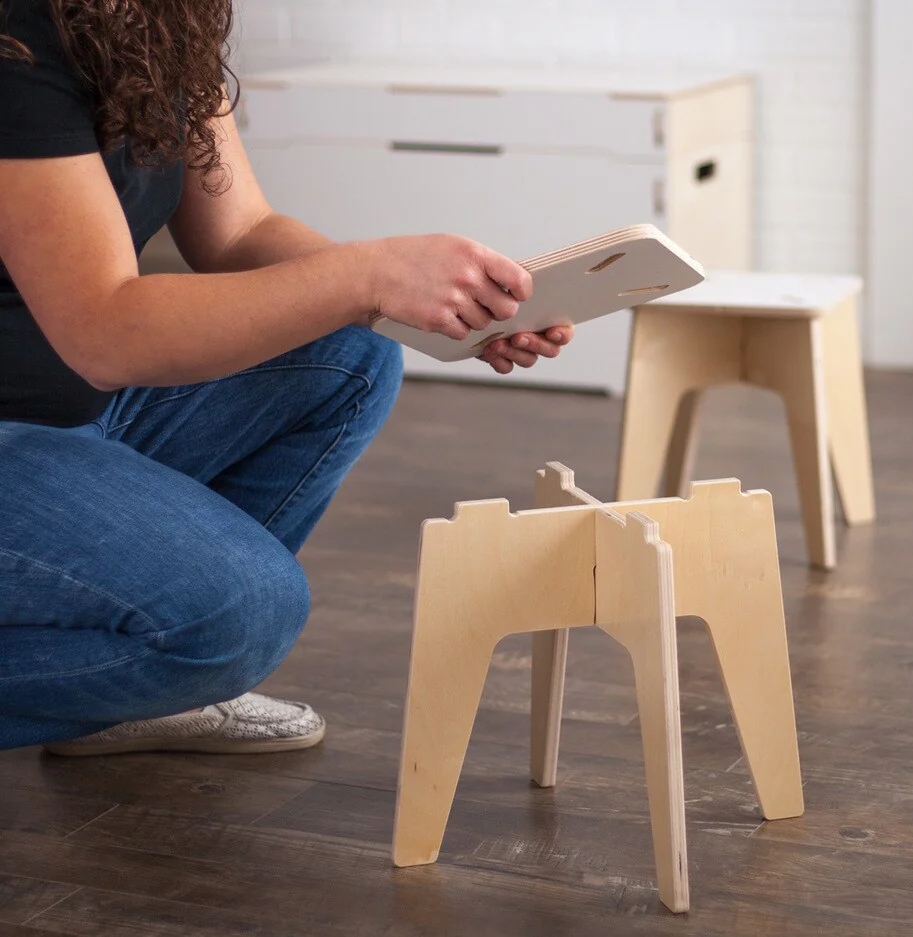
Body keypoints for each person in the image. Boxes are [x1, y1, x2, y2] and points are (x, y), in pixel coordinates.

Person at [0, 0, 573, 755]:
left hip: (69, 411)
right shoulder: (19, 36)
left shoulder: (157, 19)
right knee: (240, 614)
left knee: (350, 351)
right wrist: (369, 274)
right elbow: (106, 330)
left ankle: (129, 689)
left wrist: (435, 302)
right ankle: (152, 662)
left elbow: (240, 233)